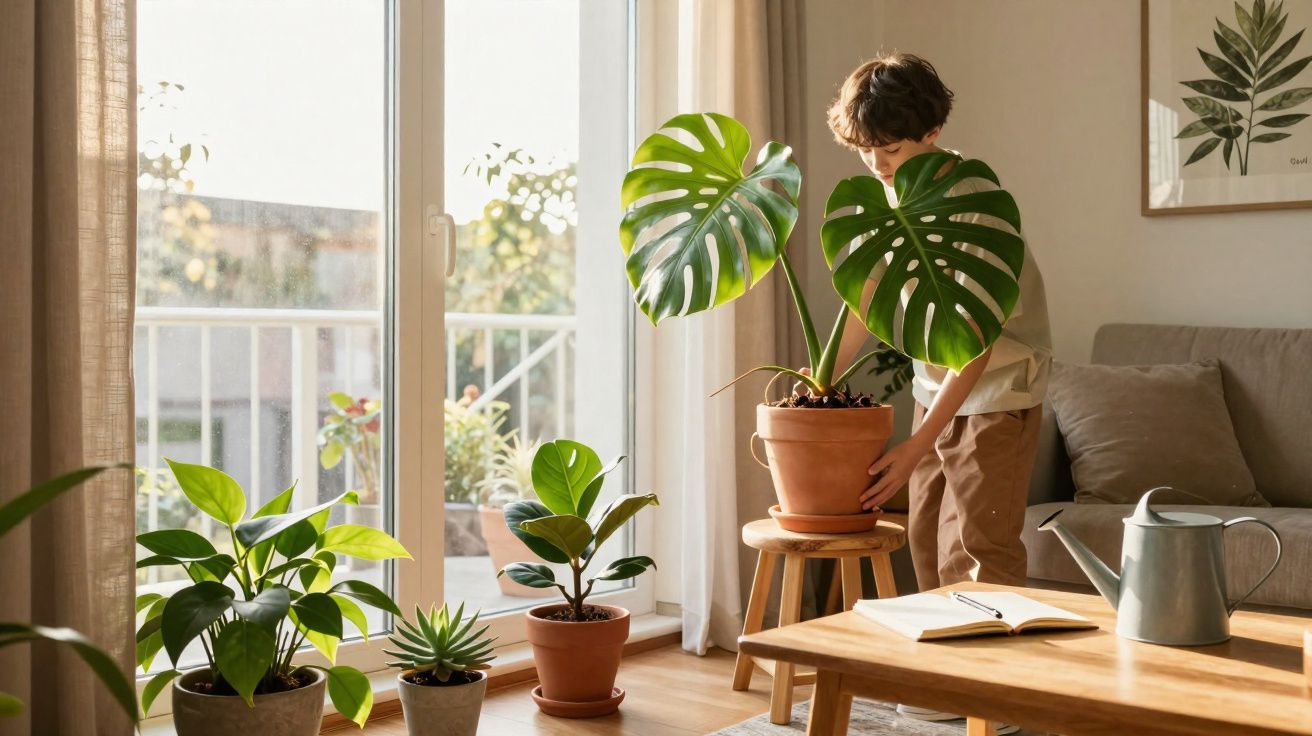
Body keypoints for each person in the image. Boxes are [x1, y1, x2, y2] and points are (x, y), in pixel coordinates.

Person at [824, 53, 1052, 730]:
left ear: (934, 131)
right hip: (936, 385)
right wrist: (819, 379)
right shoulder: (891, 198)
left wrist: (918, 440)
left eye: (890, 151)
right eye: (867, 153)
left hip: (1000, 388)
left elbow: (977, 338)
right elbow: (869, 298)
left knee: (979, 546)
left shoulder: (974, 201)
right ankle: (954, 677)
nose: (879, 167)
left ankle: (1000, 694)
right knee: (923, 535)